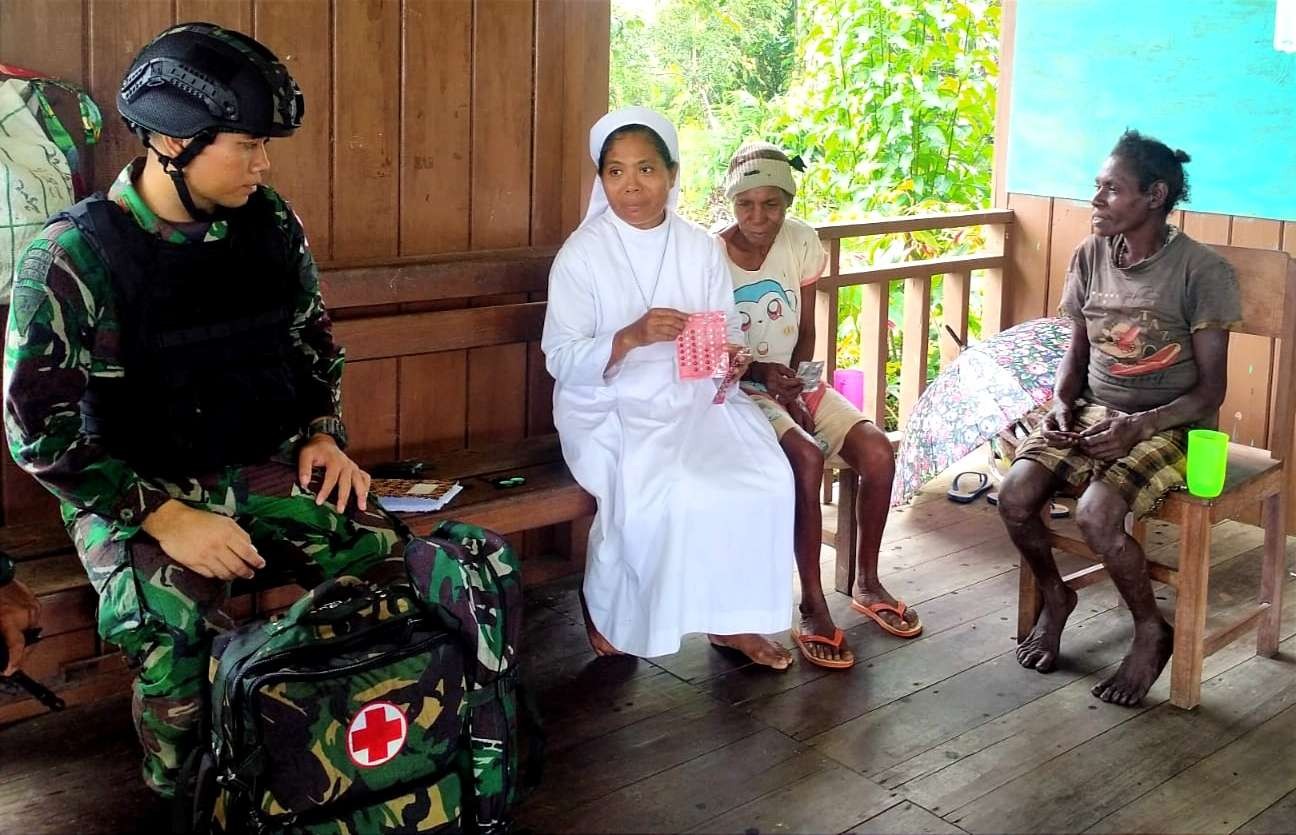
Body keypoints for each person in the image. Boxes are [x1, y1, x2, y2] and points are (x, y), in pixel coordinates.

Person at [3, 22, 403, 804]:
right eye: (246, 144)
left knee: (388, 565)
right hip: (130, 485)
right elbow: (35, 435)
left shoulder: (269, 224)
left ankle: (361, 764)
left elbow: (312, 341)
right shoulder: (74, 256)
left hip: (261, 458)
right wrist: (162, 517)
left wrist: (324, 432)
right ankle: (189, 795)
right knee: (171, 632)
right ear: (171, 141)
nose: (264, 162)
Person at [541, 108, 796, 669]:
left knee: (765, 478)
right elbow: (560, 358)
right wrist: (630, 336)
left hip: (694, 394)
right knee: (667, 484)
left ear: (672, 173)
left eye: (646, 170)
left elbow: (725, 328)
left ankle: (733, 621)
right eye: (615, 172)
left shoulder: (698, 247)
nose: (631, 186)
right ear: (601, 178)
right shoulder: (581, 254)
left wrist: (731, 357)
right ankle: (613, 611)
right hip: (606, 402)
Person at [997, 130, 1239, 706]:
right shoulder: (1089, 255)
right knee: (1013, 494)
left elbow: (1211, 392)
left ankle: (1152, 630)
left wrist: (1140, 424)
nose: (1096, 200)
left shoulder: (1200, 271)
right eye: (1096, 187)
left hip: (1171, 421)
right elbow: (1075, 350)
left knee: (1097, 514)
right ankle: (1057, 596)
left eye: (1112, 189)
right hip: (1093, 409)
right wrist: (1060, 403)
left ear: (1154, 196)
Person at [717, 142, 922, 671]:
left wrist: (802, 387)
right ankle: (810, 602)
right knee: (807, 458)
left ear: (787, 203)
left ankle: (867, 581)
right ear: (730, 202)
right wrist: (762, 376)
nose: (758, 217)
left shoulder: (802, 242)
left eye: (772, 204)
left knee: (876, 450)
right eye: (746, 204)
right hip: (737, 390)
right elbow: (713, 346)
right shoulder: (707, 255)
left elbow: (805, 328)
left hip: (792, 379)